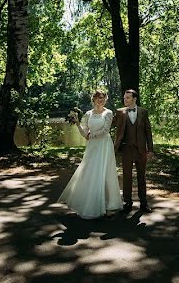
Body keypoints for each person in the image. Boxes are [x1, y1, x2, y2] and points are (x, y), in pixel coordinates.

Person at [58, 90, 123, 219]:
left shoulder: (108, 113)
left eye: (103, 98)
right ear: (93, 99)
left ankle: (109, 204)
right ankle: (88, 203)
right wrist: (77, 124)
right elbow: (84, 134)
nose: (101, 100)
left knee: (105, 172)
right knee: (89, 171)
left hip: (104, 146)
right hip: (92, 147)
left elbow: (105, 131)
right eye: (98, 98)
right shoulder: (88, 114)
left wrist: (91, 136)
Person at [112, 89, 154, 213]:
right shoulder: (119, 112)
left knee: (142, 177)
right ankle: (127, 203)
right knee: (127, 177)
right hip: (126, 150)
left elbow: (148, 131)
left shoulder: (143, 112)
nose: (125, 100)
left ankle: (143, 203)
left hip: (141, 150)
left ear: (134, 99)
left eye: (128, 98)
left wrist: (150, 149)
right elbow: (108, 123)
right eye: (124, 98)